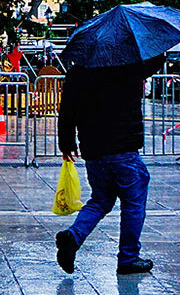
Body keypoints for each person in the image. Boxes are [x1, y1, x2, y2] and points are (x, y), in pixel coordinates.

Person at [54, 62, 156, 276]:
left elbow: (67, 109)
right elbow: (153, 63)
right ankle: (128, 258)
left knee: (100, 200)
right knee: (133, 202)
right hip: (123, 148)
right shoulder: (129, 65)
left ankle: (73, 236)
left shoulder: (79, 70)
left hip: (93, 150)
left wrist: (66, 143)